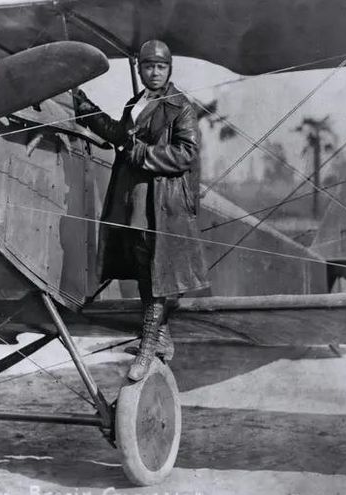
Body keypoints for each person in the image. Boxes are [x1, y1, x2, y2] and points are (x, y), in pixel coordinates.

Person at [73, 40, 209, 381]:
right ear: (140, 68)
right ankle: (162, 339)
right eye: (149, 66)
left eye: (161, 67)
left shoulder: (181, 107)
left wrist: (144, 155)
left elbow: (187, 154)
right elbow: (119, 135)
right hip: (133, 199)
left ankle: (147, 348)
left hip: (160, 203)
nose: (155, 72)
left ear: (169, 69)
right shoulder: (136, 103)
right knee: (143, 268)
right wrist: (86, 108)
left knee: (155, 273)